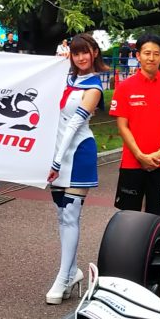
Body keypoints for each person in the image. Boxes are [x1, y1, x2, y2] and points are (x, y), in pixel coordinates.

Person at [45, 33, 105, 304]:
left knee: (70, 215)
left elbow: (73, 126)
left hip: (78, 153)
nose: (81, 57)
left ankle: (62, 277)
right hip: (56, 154)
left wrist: (56, 161)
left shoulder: (94, 87)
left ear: (94, 53)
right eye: (76, 52)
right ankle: (72, 272)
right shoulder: (65, 78)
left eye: (85, 52)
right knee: (61, 215)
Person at [109, 33, 160, 215]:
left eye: (156, 54)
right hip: (132, 162)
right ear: (138, 56)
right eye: (147, 53)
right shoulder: (125, 87)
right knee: (128, 215)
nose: (151, 58)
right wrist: (139, 155)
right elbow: (122, 126)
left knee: (158, 215)